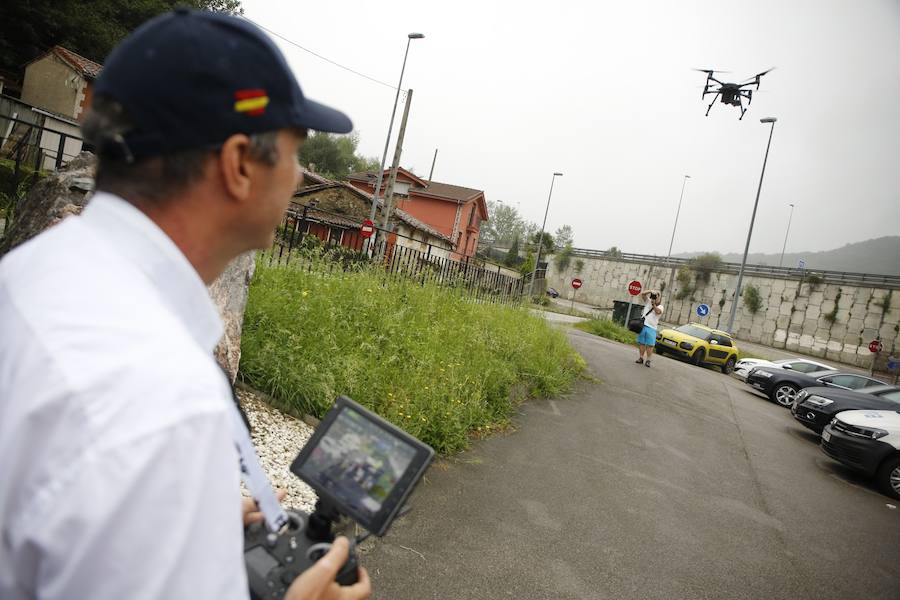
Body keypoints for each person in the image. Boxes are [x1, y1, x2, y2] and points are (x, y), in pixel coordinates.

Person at [0, 9, 370, 600]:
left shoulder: (31, 275)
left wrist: (173, 520)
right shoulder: (163, 401)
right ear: (239, 164)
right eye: (297, 151)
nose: (301, 176)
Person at [635, 289, 664, 367]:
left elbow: (658, 312)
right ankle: (641, 358)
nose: (654, 297)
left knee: (650, 345)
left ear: (659, 298)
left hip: (652, 328)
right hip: (643, 325)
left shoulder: (661, 306)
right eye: (654, 296)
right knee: (641, 343)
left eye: (656, 296)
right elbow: (643, 294)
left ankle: (648, 360)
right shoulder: (648, 301)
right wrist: (650, 291)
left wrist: (654, 305)